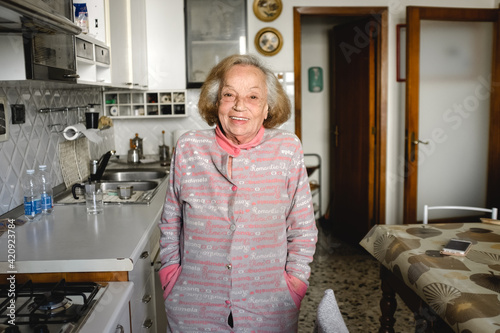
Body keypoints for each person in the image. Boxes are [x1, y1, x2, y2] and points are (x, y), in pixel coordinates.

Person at [158, 54, 318, 332]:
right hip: (193, 304)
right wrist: (171, 277)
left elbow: (302, 227)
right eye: (229, 94)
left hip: (271, 304)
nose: (239, 105)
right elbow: (171, 221)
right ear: (216, 102)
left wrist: (295, 284)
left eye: (253, 97)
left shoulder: (287, 148)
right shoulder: (189, 147)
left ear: (268, 107)